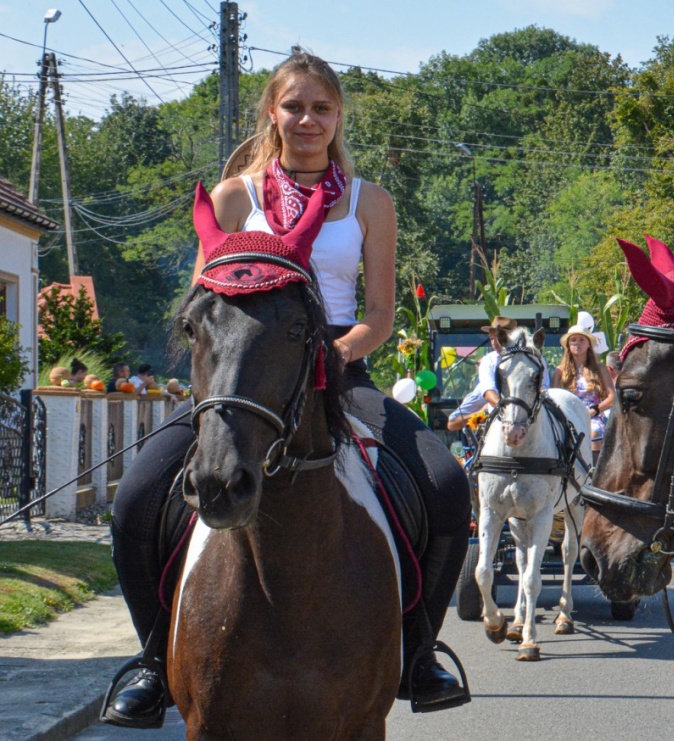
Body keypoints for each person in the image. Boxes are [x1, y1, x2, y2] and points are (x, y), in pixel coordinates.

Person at [103, 51, 471, 729]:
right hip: (243, 375)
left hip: (336, 364)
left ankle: (420, 654)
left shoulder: (370, 203)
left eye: (321, 108)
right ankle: (155, 661)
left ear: (338, 118)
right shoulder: (232, 197)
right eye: (294, 106)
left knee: (446, 481)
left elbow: (380, 313)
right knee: (135, 498)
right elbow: (205, 304)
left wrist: (332, 355)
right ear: (272, 112)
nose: (307, 120)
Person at [551, 325, 613, 453]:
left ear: (588, 344)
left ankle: (594, 470)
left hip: (593, 414)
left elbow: (612, 398)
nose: (577, 343)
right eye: (573, 340)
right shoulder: (559, 371)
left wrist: (594, 410)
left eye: (581, 340)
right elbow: (553, 398)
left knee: (594, 433)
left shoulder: (600, 368)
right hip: (567, 415)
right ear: (568, 345)